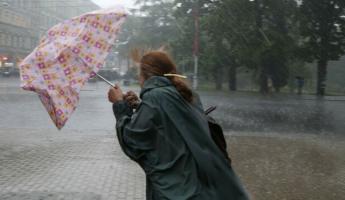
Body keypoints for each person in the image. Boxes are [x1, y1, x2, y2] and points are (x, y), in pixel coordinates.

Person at [108, 51, 249, 200]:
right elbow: (169, 123)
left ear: (145, 75)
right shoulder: (186, 94)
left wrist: (119, 105)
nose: (138, 77)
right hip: (203, 183)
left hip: (177, 189)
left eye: (139, 73)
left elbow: (133, 140)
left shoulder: (155, 96)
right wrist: (140, 106)